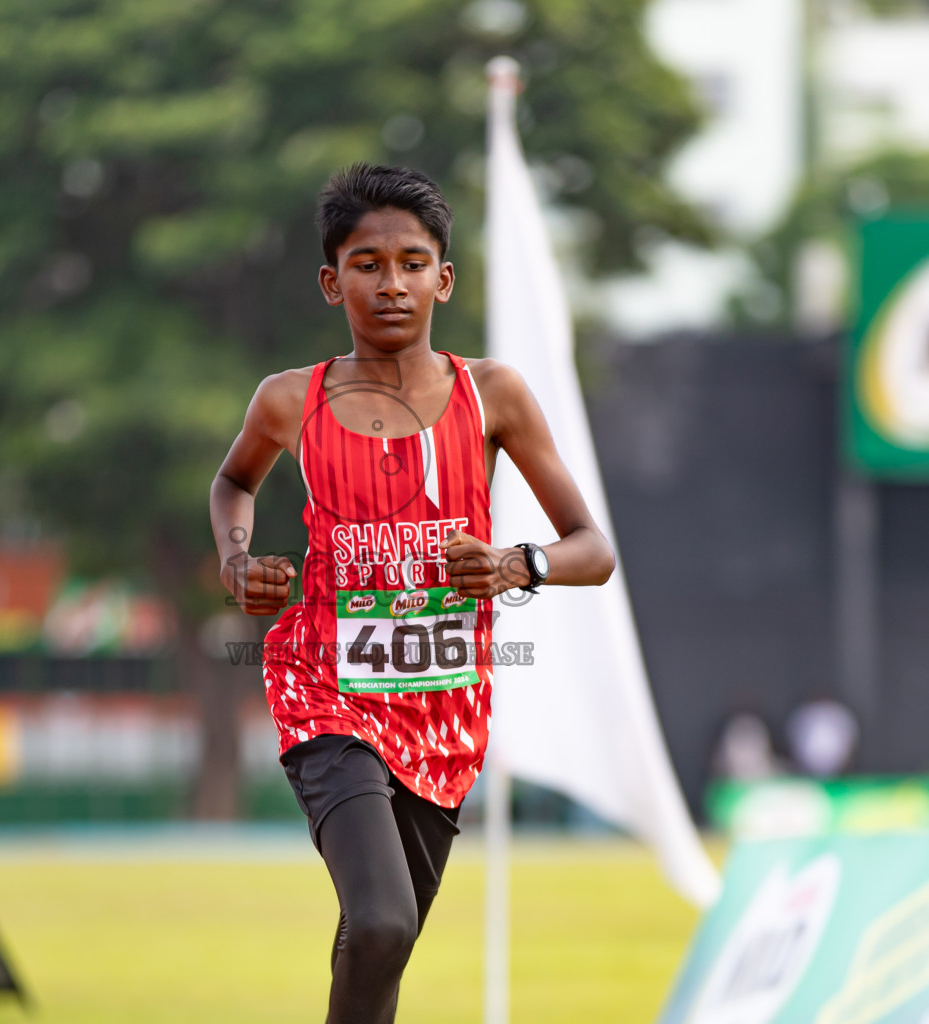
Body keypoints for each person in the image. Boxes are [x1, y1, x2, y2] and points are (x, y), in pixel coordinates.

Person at [210, 163, 615, 1023]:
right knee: (383, 921)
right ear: (332, 281)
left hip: (444, 713)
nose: (391, 283)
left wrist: (517, 563)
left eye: (412, 261)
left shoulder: (493, 395)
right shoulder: (289, 400)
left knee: (382, 941)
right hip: (325, 692)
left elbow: (594, 549)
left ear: (444, 276)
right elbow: (232, 485)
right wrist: (239, 559)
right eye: (366, 264)